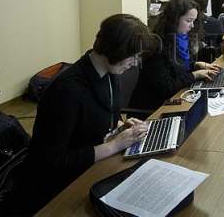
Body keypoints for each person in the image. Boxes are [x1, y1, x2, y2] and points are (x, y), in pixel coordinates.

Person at [17, 14, 159, 212]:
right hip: (55, 191)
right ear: (116, 49)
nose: (135, 63)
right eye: (133, 56)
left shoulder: (108, 74)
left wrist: (120, 127)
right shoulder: (67, 91)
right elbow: (49, 164)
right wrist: (114, 145)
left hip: (91, 169)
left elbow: (100, 117)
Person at [129, 0, 221, 120]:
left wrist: (196, 65)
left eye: (193, 21)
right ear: (174, 20)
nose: (192, 26)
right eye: (188, 20)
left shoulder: (179, 40)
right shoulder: (157, 46)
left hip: (173, 99)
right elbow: (165, 86)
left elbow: (176, 67)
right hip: (154, 110)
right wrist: (195, 75)